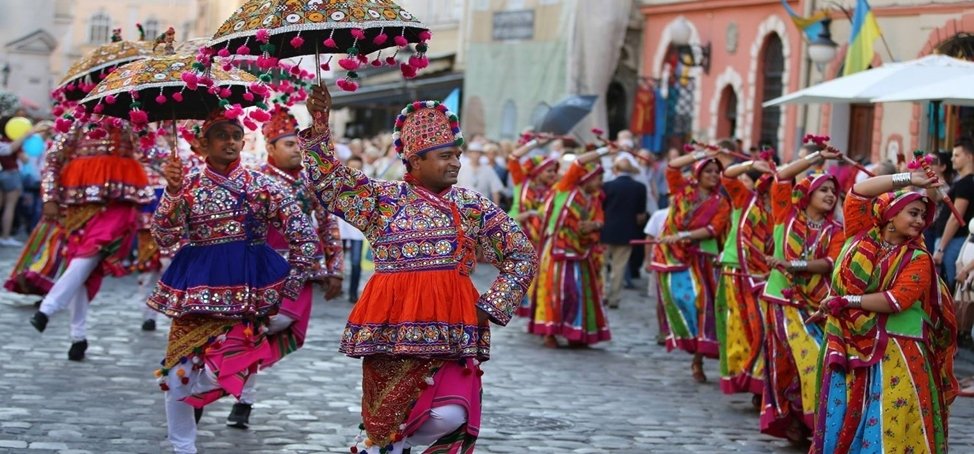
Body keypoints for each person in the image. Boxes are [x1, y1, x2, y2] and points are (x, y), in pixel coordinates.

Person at [301, 87, 537, 454]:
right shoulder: (382, 200)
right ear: (415, 161)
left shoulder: (471, 205)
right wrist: (320, 124)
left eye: (457, 155)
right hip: (391, 326)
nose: (455, 163)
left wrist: (491, 305)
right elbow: (330, 185)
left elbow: (521, 254)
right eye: (445, 156)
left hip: (453, 328)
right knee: (388, 420)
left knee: (452, 413)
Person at [148, 109, 319, 454]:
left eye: (236, 136)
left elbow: (304, 235)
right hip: (196, 290)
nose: (230, 142)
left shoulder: (261, 185)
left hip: (247, 294)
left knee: (227, 367)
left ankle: (210, 400)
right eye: (221, 136)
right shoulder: (187, 185)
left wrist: (290, 287)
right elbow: (163, 237)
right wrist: (172, 192)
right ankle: (183, 448)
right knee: (176, 375)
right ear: (202, 144)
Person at [811, 172, 957, 454]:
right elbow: (859, 192)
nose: (919, 220)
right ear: (890, 215)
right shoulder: (859, 234)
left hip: (900, 346)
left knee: (891, 423)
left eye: (923, 216)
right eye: (913, 213)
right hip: (848, 341)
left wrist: (846, 301)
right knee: (843, 419)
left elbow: (895, 300)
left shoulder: (919, 258)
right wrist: (910, 178)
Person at [222, 105, 345, 429]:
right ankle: (241, 398)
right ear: (270, 146)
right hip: (260, 271)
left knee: (272, 324)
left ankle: (232, 385)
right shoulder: (253, 179)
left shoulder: (310, 182)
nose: (296, 151)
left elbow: (327, 224)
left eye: (299, 145)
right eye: (289, 144)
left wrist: (335, 269)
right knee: (254, 330)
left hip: (300, 272)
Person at [29, 118, 154, 360]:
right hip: (79, 204)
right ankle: (78, 337)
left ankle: (48, 308)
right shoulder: (77, 121)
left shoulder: (131, 118)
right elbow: (54, 159)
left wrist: (145, 132)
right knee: (80, 265)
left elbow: (149, 153)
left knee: (89, 255)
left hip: (119, 201)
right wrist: (49, 197)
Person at [760, 148, 845, 443]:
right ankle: (793, 417)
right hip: (782, 301)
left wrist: (792, 265)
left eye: (833, 191)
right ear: (807, 194)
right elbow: (782, 176)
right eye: (823, 190)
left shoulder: (836, 230)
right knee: (788, 361)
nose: (830, 195)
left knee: (815, 359)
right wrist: (816, 156)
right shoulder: (785, 215)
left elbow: (829, 263)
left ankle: (813, 420)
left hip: (815, 305)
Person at [650, 147, 730, 383]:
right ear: (698, 173)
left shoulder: (721, 202)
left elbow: (713, 229)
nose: (714, 175)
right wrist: (700, 154)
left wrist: (684, 235)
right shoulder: (682, 190)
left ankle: (698, 358)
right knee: (681, 298)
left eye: (716, 171)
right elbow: (672, 167)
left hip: (702, 257)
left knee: (702, 303)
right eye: (708, 171)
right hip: (673, 256)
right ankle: (684, 336)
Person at [530, 146, 613, 348]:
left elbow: (599, 220)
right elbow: (578, 162)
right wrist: (604, 150)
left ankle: (574, 332)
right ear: (586, 178)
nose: (600, 183)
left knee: (579, 292)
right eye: (597, 178)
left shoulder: (594, 199)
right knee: (557, 290)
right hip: (557, 250)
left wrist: (594, 225)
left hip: (581, 252)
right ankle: (549, 332)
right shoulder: (565, 188)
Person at [714, 158, 773, 404]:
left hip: (769, 276)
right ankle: (750, 380)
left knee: (763, 328)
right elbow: (727, 175)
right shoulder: (746, 200)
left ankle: (759, 382)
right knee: (742, 327)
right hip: (737, 270)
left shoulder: (784, 210)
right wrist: (751, 164)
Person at [506, 137, 558, 316]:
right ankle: (519, 304)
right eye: (549, 171)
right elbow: (513, 158)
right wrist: (536, 142)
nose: (553, 174)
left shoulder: (553, 189)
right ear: (538, 171)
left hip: (542, 235)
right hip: (520, 231)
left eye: (554, 171)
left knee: (539, 271)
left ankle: (535, 306)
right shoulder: (522, 182)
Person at [600, 155, 647, 309]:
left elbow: (600, 209)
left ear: (616, 169)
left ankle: (602, 293)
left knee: (601, 265)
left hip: (605, 230)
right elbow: (640, 216)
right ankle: (614, 298)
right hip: (627, 231)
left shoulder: (606, 186)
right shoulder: (640, 187)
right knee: (619, 267)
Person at [933, 139, 974, 290]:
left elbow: (956, 218)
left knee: (948, 286)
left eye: (957, 155)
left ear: (969, 157)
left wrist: (941, 248)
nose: (952, 159)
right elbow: (935, 198)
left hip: (953, 241)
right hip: (949, 240)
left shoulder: (966, 184)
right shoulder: (961, 182)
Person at [339, 155, 367, 304]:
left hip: (357, 230)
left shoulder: (367, 186)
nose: (354, 170)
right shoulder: (339, 183)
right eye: (351, 167)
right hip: (341, 228)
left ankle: (353, 292)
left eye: (357, 167)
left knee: (356, 262)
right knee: (339, 261)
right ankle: (336, 287)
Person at [0, 117, 30, 246]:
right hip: (12, 173)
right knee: (10, 206)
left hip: (1, 172)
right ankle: (5, 236)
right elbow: (25, 159)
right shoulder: (15, 142)